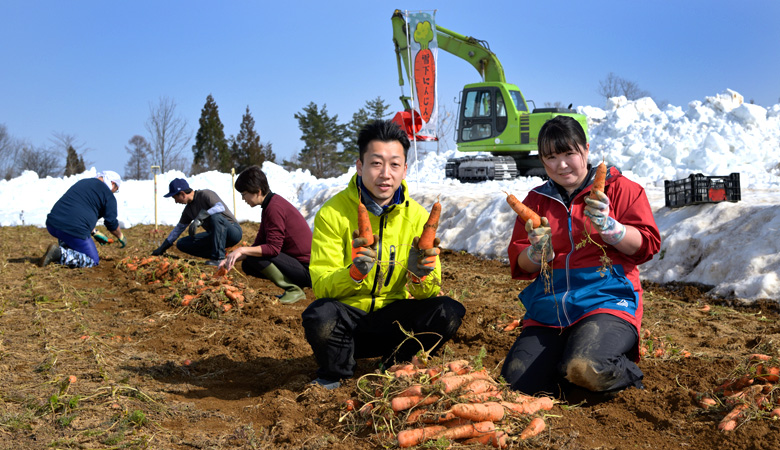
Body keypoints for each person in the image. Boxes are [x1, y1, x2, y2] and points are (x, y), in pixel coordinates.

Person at [501, 116, 661, 401]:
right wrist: (536, 253)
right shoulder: (535, 201)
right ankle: (567, 363)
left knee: (586, 367)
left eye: (569, 153)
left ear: (586, 150)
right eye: (551, 157)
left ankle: (624, 374)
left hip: (607, 302)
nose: (561, 165)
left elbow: (647, 246)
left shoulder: (621, 189)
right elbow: (521, 265)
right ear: (542, 160)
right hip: (550, 310)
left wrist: (612, 229)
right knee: (516, 383)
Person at [302, 119, 466, 390]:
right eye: (376, 163)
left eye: (394, 164)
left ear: (404, 169)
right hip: (349, 326)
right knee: (320, 315)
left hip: (394, 324)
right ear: (360, 166)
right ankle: (337, 371)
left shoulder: (418, 217)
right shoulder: (332, 213)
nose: (385, 174)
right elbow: (321, 285)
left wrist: (419, 275)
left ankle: (396, 364)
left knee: (448, 311)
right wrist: (353, 274)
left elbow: (429, 291)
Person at [218, 165, 312, 304]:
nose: (243, 199)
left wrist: (242, 249)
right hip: (296, 264)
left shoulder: (274, 208)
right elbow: (258, 245)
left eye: (244, 194)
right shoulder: (270, 205)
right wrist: (230, 260)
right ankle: (295, 287)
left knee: (256, 258)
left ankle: (294, 289)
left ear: (257, 191)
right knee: (248, 263)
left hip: (308, 269)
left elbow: (273, 249)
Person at [39, 170, 127, 268]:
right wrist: (120, 236)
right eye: (116, 189)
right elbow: (111, 223)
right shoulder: (108, 196)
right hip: (73, 230)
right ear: (113, 183)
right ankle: (60, 254)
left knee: (73, 243)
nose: (114, 192)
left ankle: (64, 251)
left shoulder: (83, 182)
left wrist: (94, 232)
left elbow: (78, 210)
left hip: (53, 224)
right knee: (92, 260)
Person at [151, 178, 242, 265]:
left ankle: (218, 258)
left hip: (232, 232)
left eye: (175, 198)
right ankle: (220, 253)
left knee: (215, 217)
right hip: (215, 236)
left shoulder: (205, 194)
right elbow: (178, 229)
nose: (176, 202)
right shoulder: (188, 210)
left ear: (182, 194)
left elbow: (220, 207)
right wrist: (163, 247)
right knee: (182, 243)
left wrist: (200, 218)